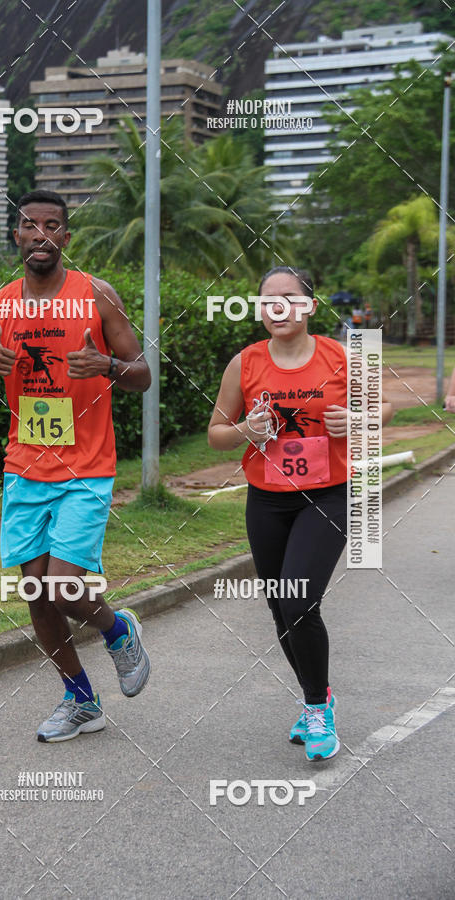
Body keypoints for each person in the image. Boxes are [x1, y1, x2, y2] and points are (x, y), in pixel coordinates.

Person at [0, 189, 152, 742]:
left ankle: (119, 631)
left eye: (52, 226)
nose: (40, 234)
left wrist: (108, 364)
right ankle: (81, 700)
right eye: (29, 225)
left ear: (66, 238)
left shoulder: (96, 295)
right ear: (16, 236)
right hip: (25, 464)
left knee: (65, 589)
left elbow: (142, 374)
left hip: (86, 467)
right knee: (36, 594)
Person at [208, 266, 392, 761]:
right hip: (267, 498)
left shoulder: (341, 357)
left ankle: (317, 709)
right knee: (279, 607)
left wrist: (354, 419)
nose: (278, 308)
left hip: (328, 495)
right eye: (268, 301)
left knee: (299, 601)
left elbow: (385, 410)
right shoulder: (244, 363)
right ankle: (320, 694)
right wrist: (248, 429)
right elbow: (216, 434)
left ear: (309, 306)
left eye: (289, 299)